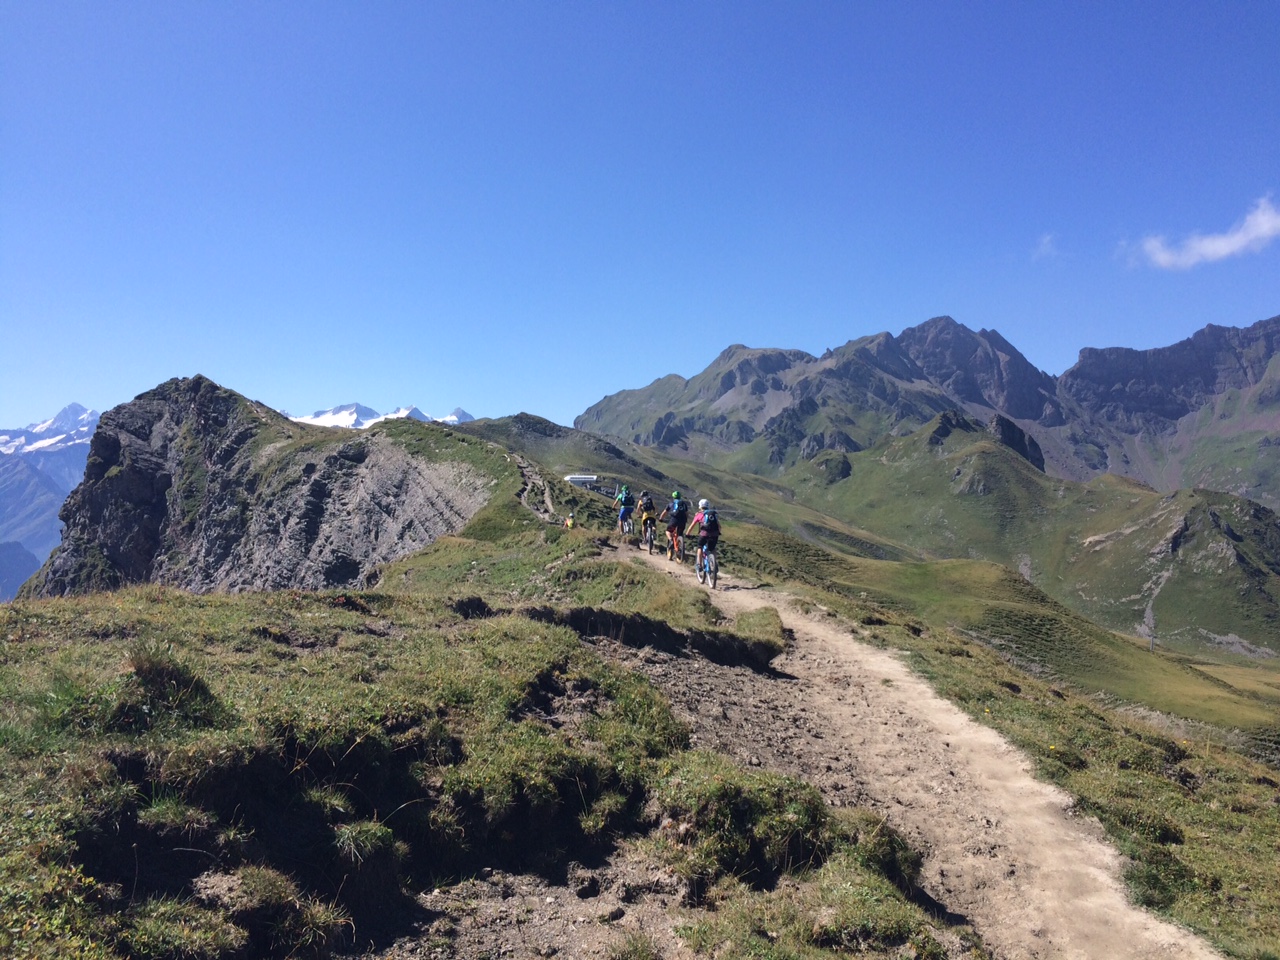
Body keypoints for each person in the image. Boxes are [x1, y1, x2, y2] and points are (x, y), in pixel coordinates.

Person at [686, 498, 720, 570]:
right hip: (715, 534)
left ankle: (699, 564)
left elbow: (692, 525)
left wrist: (687, 533)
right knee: (712, 549)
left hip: (704, 534)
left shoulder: (699, 514)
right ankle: (714, 564)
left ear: (700, 506)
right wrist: (717, 533)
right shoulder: (713, 514)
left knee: (700, 547)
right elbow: (719, 526)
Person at [658, 490, 688, 560]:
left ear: (673, 497)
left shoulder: (671, 503)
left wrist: (661, 518)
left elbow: (665, 512)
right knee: (680, 534)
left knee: (668, 531)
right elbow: (686, 513)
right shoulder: (683, 504)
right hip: (682, 521)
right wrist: (685, 520)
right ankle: (680, 547)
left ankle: (671, 540)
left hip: (674, 520)